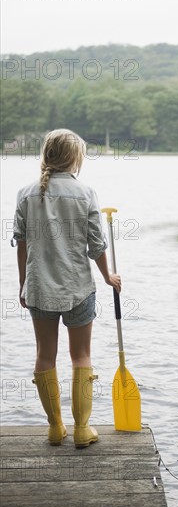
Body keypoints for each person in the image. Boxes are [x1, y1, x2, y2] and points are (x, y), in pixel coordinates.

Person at [13, 129, 121, 448]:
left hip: (39, 288)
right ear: (75, 158)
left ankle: (55, 428)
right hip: (78, 289)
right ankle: (82, 430)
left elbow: (21, 243)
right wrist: (108, 277)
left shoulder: (26, 194)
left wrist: (23, 284)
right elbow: (96, 245)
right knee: (81, 355)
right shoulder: (86, 193)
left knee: (45, 356)